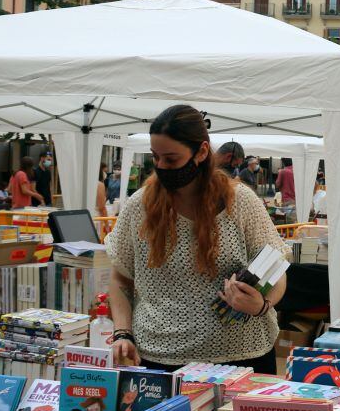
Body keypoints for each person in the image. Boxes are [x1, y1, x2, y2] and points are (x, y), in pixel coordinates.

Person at [105, 105, 288, 375]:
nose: (161, 167)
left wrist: (262, 305)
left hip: (242, 357)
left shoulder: (240, 203)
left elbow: (276, 268)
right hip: (159, 359)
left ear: (201, 152)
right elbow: (120, 278)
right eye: (155, 157)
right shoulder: (138, 206)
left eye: (171, 159)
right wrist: (123, 333)